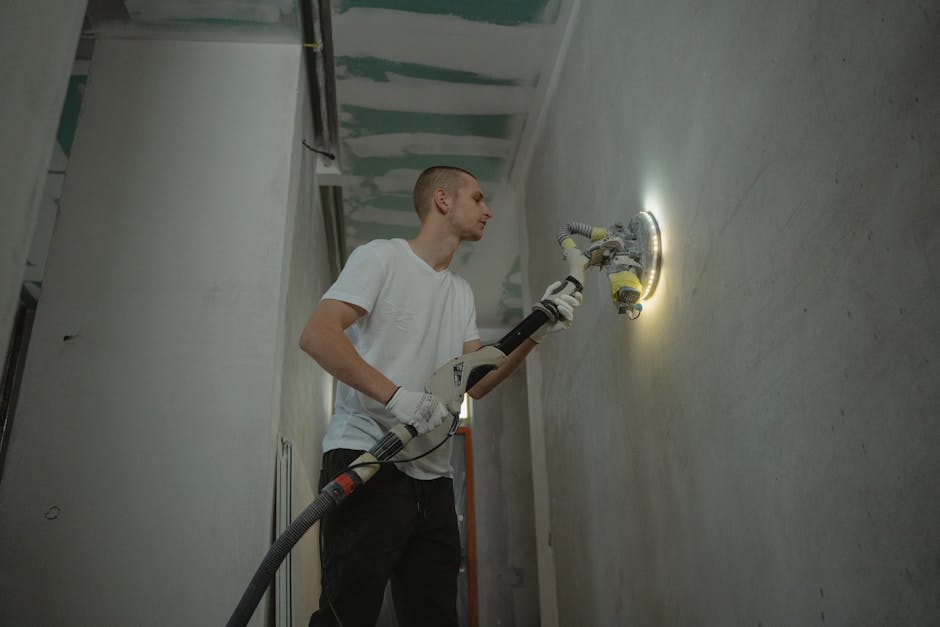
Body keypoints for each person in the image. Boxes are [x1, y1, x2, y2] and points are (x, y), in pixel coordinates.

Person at [299, 165, 582, 627]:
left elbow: (479, 382)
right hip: (367, 460)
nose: (488, 211)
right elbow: (317, 335)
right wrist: (395, 398)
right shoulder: (381, 258)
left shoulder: (460, 293)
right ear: (443, 200)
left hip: (432, 482)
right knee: (345, 616)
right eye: (477, 198)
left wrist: (538, 329)